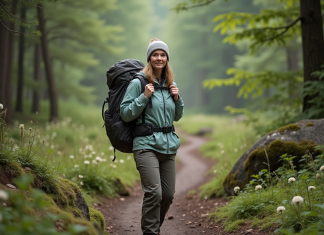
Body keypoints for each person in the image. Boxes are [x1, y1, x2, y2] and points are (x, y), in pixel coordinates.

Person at [120, 38, 184, 235]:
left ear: (167, 58)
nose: (159, 58)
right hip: (145, 145)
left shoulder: (170, 83)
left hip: (168, 147)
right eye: (155, 54)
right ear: (149, 58)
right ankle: (151, 232)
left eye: (162, 55)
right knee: (154, 193)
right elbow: (125, 112)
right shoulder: (138, 82)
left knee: (167, 195)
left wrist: (177, 99)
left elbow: (177, 116)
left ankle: (153, 228)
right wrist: (144, 97)